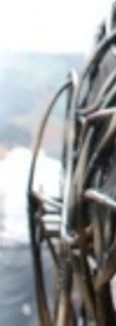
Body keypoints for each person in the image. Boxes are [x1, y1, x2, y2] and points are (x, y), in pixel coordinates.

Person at [0, 122, 60, 326]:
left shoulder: (4, 170)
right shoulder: (54, 167)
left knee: (7, 310)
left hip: (15, 255)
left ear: (4, 144)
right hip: (52, 251)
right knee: (47, 310)